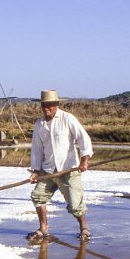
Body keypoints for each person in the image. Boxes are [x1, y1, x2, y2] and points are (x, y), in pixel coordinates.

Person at [27, 90, 93, 242]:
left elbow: (83, 138)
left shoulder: (67, 119)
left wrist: (84, 159)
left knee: (76, 204)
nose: (46, 108)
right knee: (38, 196)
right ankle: (43, 228)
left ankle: (84, 228)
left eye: (49, 105)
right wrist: (36, 171)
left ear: (56, 105)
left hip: (68, 168)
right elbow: (36, 149)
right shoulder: (39, 124)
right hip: (48, 169)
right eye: (44, 105)